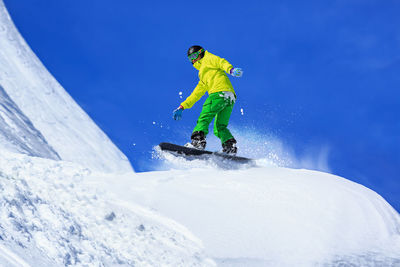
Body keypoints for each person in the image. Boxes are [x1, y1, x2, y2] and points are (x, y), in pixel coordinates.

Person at [172, 45, 243, 154]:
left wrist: (231, 69)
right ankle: (230, 146)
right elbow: (196, 93)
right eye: (191, 58)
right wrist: (183, 106)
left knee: (204, 116)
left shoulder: (207, 58)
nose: (194, 59)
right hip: (229, 98)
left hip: (218, 93)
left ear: (201, 52)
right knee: (219, 127)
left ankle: (198, 141)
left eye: (195, 56)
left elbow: (220, 61)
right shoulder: (203, 75)